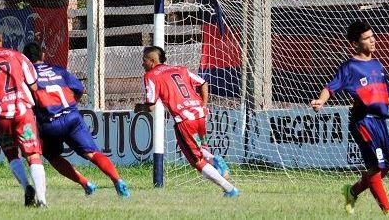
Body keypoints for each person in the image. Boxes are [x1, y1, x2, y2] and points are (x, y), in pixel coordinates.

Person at [311, 20, 389, 215]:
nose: (372, 40)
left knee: (386, 167)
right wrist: (321, 100)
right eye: (367, 38)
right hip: (363, 121)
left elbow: (388, 95)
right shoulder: (350, 67)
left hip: (380, 121)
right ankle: (388, 211)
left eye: (372, 36)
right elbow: (330, 87)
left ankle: (352, 191)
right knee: (375, 168)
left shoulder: (378, 64)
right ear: (355, 43)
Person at [22, 42, 130, 198]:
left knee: (52, 156)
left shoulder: (28, 76)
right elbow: (79, 88)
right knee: (92, 153)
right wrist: (72, 105)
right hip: (72, 117)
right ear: (43, 56)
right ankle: (117, 180)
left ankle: (85, 183)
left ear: (25, 60)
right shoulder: (58, 70)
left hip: (49, 123)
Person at [135, 46, 237, 196]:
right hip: (200, 116)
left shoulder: (150, 76)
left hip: (184, 121)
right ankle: (213, 159)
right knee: (200, 149)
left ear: (152, 60)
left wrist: (139, 107)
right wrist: (203, 106)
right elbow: (203, 83)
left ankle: (229, 189)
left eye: (144, 60)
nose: (142, 64)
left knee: (197, 161)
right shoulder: (180, 69)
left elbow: (151, 106)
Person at [0, 23, 48, 207]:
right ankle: (42, 200)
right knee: (33, 154)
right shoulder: (18, 56)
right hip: (22, 111)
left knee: (12, 155)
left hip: (0, 115)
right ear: (1, 37)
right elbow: (33, 84)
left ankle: (27, 187)